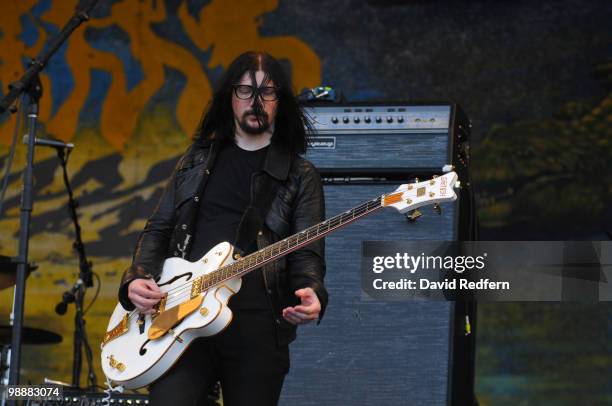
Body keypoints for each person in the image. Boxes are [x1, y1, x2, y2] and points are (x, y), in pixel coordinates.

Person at [116, 51, 328, 406]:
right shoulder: (196, 161)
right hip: (181, 320)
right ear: (230, 97)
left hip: (258, 328)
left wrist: (313, 292)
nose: (256, 102)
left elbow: (307, 251)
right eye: (245, 91)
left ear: (280, 101)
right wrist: (136, 277)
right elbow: (159, 229)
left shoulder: (299, 174)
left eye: (267, 92)